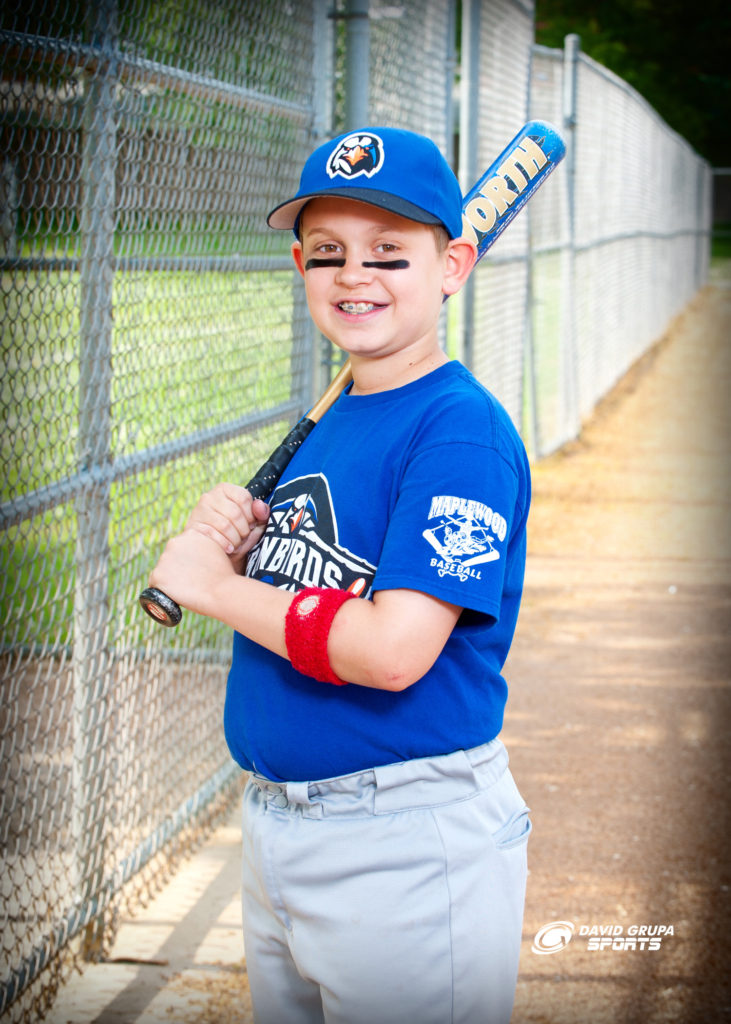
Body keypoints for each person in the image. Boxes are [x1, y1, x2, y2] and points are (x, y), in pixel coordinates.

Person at [149, 126, 532, 1024]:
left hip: (401, 842)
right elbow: (319, 586)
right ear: (299, 267)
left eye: (389, 255)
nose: (354, 275)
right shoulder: (333, 418)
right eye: (329, 254)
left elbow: (394, 649)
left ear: (453, 265)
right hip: (282, 828)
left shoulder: (458, 433)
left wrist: (215, 588)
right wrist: (240, 551)